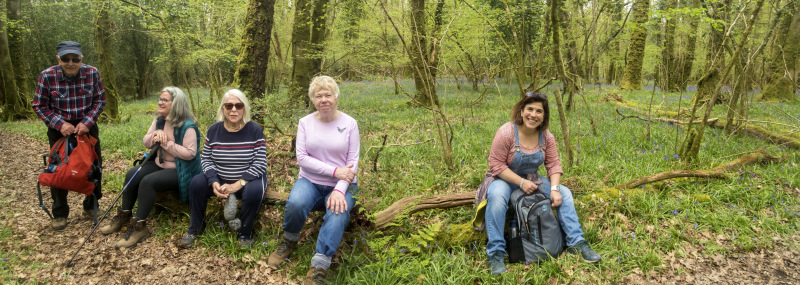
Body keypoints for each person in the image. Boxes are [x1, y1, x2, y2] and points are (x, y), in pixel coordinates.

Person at [475, 92, 601, 274]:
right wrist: (520, 182)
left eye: (539, 111)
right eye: (530, 109)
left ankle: (577, 242)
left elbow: (554, 164)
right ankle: (496, 252)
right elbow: (496, 164)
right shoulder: (506, 132)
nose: (533, 115)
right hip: (503, 178)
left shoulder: (546, 137)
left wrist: (555, 189)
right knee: (496, 196)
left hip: (532, 178)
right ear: (521, 111)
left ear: (544, 116)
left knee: (565, 193)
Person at [268, 76, 360, 285]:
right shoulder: (305, 123)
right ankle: (289, 240)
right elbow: (302, 158)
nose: (323, 99)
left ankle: (319, 264)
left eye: (328, 95)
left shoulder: (350, 124)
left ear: (336, 97)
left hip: (343, 185)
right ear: (312, 99)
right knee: (296, 202)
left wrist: (339, 188)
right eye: (318, 96)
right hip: (310, 180)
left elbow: (352, 162)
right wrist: (335, 170)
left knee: (338, 212)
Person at [98, 87, 201, 248]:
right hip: (159, 163)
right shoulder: (160, 120)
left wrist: (166, 143)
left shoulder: (188, 126)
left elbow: (190, 154)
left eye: (164, 100)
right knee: (133, 173)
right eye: (160, 99)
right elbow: (146, 141)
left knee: (148, 181)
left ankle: (139, 227)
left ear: (176, 104)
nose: (160, 102)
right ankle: (124, 215)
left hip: (180, 170)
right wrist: (155, 136)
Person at [180, 89, 268, 249]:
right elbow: (206, 158)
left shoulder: (254, 130)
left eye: (238, 105)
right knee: (196, 183)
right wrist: (213, 181)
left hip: (248, 179)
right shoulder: (214, 130)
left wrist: (238, 184)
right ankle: (195, 228)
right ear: (223, 109)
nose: (234, 109)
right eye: (229, 106)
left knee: (254, 192)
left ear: (244, 108)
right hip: (221, 178)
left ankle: (245, 233)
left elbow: (260, 162)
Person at [32, 41, 106, 231]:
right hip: (59, 128)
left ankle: (91, 206)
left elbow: (100, 100)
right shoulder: (47, 76)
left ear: (82, 59)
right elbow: (39, 106)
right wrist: (59, 124)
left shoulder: (92, 73)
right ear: (58, 59)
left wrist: (87, 122)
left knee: (94, 166)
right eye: (66, 59)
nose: (70, 63)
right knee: (58, 170)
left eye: (75, 59)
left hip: (87, 126)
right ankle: (59, 213)